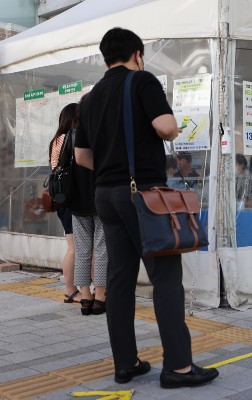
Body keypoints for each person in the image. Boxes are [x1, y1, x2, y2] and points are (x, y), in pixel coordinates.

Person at [74, 27, 218, 388]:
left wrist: (112, 171)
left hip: (105, 194)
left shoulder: (90, 98)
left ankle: (126, 364)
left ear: (106, 57)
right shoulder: (141, 82)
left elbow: (81, 156)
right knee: (166, 278)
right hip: (142, 195)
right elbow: (167, 127)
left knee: (119, 280)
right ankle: (179, 368)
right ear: (138, 54)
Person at [70, 95, 108, 316]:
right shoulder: (102, 135)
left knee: (83, 251)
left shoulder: (70, 136)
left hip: (77, 201)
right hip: (99, 198)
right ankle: (100, 297)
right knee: (102, 250)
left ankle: (85, 298)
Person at [49, 103, 81, 304]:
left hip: (61, 197)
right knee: (74, 248)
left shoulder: (55, 140)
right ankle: (70, 290)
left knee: (74, 247)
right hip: (71, 197)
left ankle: (73, 289)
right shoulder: (71, 138)